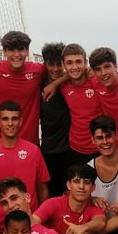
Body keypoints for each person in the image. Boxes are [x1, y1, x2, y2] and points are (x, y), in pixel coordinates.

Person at [0, 101, 49, 232]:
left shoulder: (33, 151)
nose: (10, 123)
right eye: (5, 119)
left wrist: (42, 219)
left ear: (21, 121)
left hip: (26, 226)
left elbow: (42, 188)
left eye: (14, 119)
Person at [33, 163, 107, 234]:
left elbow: (101, 222)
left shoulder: (94, 207)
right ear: (68, 185)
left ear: (93, 188)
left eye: (86, 183)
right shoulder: (54, 203)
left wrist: (83, 227)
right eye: (76, 182)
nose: (81, 187)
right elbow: (32, 223)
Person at [0, 30, 46, 144]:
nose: (17, 54)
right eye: (12, 50)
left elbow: (61, 73)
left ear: (27, 51)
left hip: (29, 142)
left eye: (21, 49)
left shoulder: (38, 70)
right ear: (4, 52)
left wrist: (53, 84)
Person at [54, 43, 103, 164]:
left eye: (78, 62)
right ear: (63, 65)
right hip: (75, 148)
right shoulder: (63, 87)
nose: (74, 66)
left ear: (85, 62)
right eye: (69, 63)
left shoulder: (98, 82)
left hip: (101, 148)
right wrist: (54, 84)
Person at [38, 42, 72, 197]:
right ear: (45, 64)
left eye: (60, 64)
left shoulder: (70, 83)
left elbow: (85, 69)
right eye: (52, 64)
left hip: (70, 149)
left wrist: (57, 83)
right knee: (49, 193)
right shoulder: (38, 83)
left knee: (68, 192)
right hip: (48, 149)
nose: (56, 69)